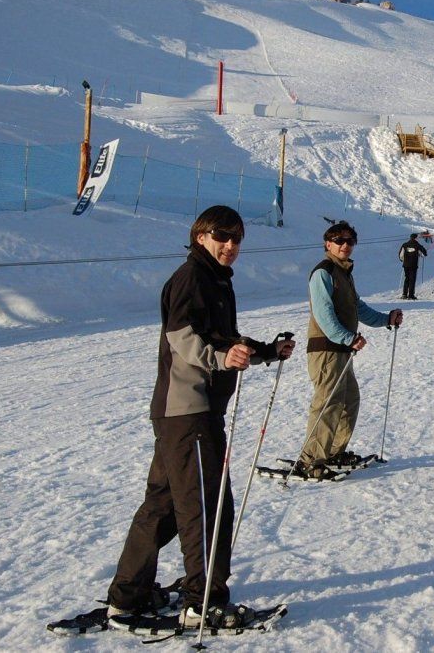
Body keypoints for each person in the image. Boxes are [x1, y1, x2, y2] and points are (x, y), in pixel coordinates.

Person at [106, 205, 296, 627]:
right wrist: (221, 356)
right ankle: (203, 600)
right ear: (200, 236)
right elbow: (184, 339)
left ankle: (127, 596)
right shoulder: (193, 278)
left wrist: (264, 350)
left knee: (165, 506)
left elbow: (220, 338)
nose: (230, 246)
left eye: (237, 239)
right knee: (208, 506)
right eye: (221, 236)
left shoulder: (213, 280)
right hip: (191, 410)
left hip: (180, 413)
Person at [297, 221, 403, 479]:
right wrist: (347, 337)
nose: (345, 245)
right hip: (326, 350)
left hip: (342, 350)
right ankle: (311, 460)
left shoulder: (343, 274)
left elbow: (359, 308)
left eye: (350, 241)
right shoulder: (323, 272)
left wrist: (386, 319)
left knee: (349, 401)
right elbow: (324, 314)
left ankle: (333, 452)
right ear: (328, 243)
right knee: (328, 403)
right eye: (339, 240)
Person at [398, 232, 427, 300]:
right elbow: (423, 254)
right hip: (413, 265)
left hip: (406, 265)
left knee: (406, 278)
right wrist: (421, 254)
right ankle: (411, 295)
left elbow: (401, 255)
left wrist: (403, 260)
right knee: (412, 279)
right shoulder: (418, 245)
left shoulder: (405, 245)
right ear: (416, 238)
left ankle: (404, 294)